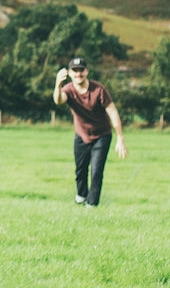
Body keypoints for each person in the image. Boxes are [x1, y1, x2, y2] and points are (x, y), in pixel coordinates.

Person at [52, 57, 128, 207]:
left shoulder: (98, 90)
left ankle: (92, 205)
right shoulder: (68, 89)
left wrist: (120, 138)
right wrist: (58, 84)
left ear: (87, 71)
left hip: (102, 135)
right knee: (80, 170)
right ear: (69, 73)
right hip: (81, 135)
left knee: (96, 171)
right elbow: (59, 100)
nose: (78, 74)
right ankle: (81, 196)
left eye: (81, 70)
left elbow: (112, 112)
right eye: (75, 71)